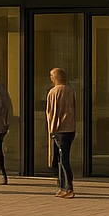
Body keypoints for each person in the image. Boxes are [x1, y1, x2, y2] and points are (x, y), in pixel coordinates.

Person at [45, 67, 77, 198]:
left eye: (52, 76)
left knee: (62, 159)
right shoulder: (70, 90)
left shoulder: (54, 92)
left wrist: (52, 130)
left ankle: (68, 187)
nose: (51, 78)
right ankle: (62, 186)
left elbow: (52, 113)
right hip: (70, 128)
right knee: (61, 159)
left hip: (59, 129)